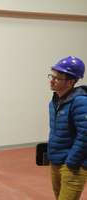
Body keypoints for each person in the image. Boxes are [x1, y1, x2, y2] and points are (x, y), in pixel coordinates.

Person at [47, 56, 87, 200]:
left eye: (57, 78)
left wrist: (71, 162)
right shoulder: (55, 101)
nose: (52, 80)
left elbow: (85, 135)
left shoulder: (80, 102)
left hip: (72, 166)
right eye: (52, 76)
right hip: (56, 162)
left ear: (71, 82)